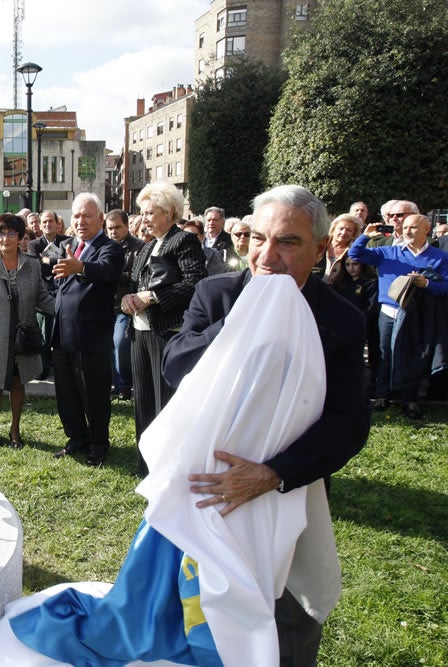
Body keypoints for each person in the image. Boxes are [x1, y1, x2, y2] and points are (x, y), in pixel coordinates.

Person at [162, 184, 370, 664]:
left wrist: (273, 475)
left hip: (287, 496)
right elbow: (174, 365)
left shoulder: (341, 318)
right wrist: (241, 319)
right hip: (205, 494)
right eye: (257, 238)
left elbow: (348, 422)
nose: (266, 255)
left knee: (286, 625)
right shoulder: (216, 294)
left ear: (320, 249)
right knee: (196, 617)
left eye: (287, 242)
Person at [122, 182, 206, 474]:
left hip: (166, 333)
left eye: (151, 212)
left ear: (170, 213)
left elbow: (195, 282)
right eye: (142, 213)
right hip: (139, 332)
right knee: (143, 399)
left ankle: (167, 467)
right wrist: (127, 297)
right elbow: (133, 284)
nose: (145, 218)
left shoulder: (183, 241)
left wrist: (154, 297)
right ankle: (145, 465)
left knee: (164, 402)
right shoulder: (146, 247)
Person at [349, 213, 448, 419]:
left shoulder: (440, 257)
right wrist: (365, 236)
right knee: (385, 355)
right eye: (405, 228)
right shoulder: (388, 252)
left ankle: (408, 399)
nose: (407, 231)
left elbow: (445, 287)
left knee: (413, 356)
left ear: (426, 230)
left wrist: (427, 284)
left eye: (413, 227)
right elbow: (356, 254)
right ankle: (382, 396)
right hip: (389, 311)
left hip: (417, 315)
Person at [49, 193, 123, 467]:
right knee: (66, 394)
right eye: (76, 215)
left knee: (94, 395)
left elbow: (107, 271)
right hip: (63, 334)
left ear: (100, 219)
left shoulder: (110, 247)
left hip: (91, 338)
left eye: (87, 215)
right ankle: (76, 438)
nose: (80, 221)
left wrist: (80, 267)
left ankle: (99, 444)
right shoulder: (67, 245)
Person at [0, 214, 54, 448]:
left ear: (20, 237)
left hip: (23, 334)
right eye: (0, 233)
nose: (5, 238)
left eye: (11, 233)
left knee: (18, 382)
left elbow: (42, 298)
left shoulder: (33, 264)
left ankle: (15, 428)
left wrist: (66, 308)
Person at [104, 209, 144, 400]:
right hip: (105, 304)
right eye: (110, 228)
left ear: (127, 226)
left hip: (126, 304)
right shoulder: (104, 246)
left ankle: (124, 385)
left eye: (117, 227)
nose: (113, 232)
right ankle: (114, 383)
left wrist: (110, 273)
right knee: (108, 344)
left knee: (120, 343)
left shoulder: (139, 247)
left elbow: (137, 277)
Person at [27, 210, 69, 379]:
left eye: (50, 221)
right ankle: (42, 368)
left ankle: (60, 366)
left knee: (60, 332)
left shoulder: (67, 242)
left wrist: (48, 261)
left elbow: (68, 264)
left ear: (57, 223)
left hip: (62, 290)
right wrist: (57, 262)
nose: (47, 224)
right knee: (44, 333)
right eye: (43, 222)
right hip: (42, 293)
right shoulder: (34, 244)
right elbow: (36, 266)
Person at [321, 213, 361, 284]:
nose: (344, 232)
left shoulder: (355, 252)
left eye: (349, 230)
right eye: (341, 228)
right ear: (333, 229)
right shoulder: (320, 244)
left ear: (354, 234)